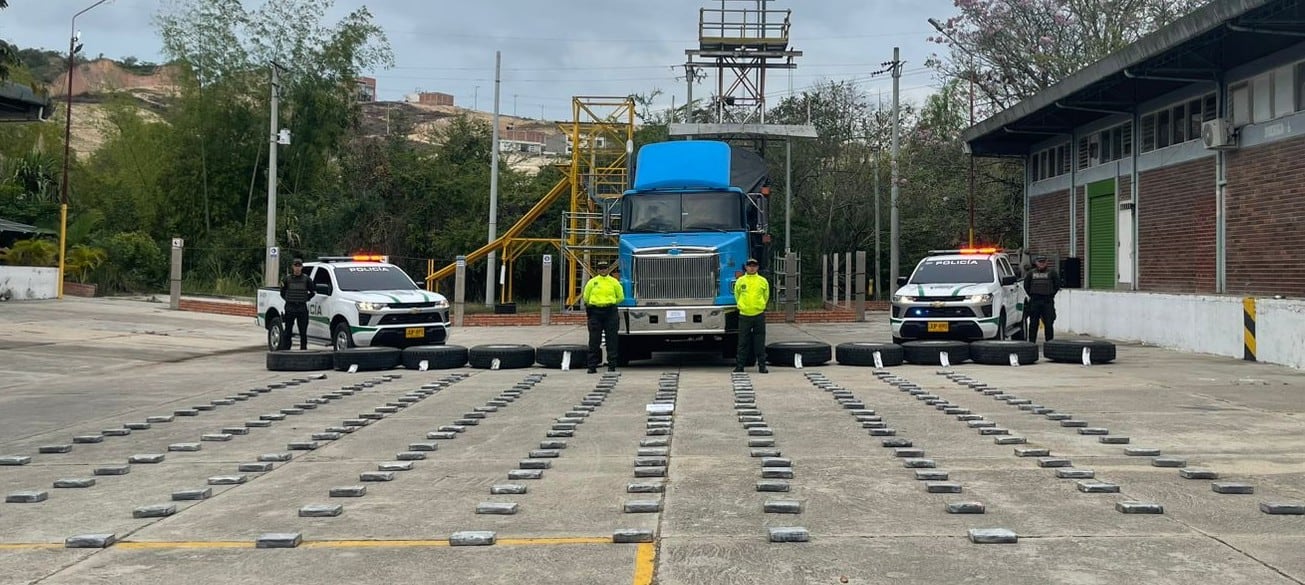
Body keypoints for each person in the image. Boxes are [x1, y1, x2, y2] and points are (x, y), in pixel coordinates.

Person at [582, 260, 624, 373]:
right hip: (595, 312)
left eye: (605, 268)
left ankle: (612, 365)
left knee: (612, 339)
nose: (603, 270)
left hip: (610, 311)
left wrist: (610, 302)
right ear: (598, 270)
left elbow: (620, 297)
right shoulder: (592, 282)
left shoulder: (614, 282)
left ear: (608, 269)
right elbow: (586, 297)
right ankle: (592, 366)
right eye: (601, 268)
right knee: (594, 340)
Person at [733, 258, 770, 373]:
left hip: (758, 315)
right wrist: (742, 306)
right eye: (749, 265)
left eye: (754, 265)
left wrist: (761, 305)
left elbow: (766, 295)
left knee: (759, 342)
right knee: (743, 342)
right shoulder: (740, 281)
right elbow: (737, 295)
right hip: (744, 315)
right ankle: (740, 366)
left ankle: (762, 366)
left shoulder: (763, 281)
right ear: (746, 267)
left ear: (757, 267)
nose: (752, 267)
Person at [1022, 254, 1063, 344]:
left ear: (1046, 262)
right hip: (1035, 301)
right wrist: (1032, 295)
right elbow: (1026, 285)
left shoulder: (1052, 273)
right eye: (1040, 262)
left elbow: (1057, 285)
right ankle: (1032, 343)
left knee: (1048, 323)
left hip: (1047, 301)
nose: (1041, 264)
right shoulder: (1031, 273)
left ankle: (1049, 343)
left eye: (1043, 262)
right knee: (1033, 324)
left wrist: (1051, 295)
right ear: (1036, 263)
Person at [280, 258, 315, 350]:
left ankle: (303, 350)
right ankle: (286, 350)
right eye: (296, 266)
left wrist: (305, 298)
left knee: (303, 331)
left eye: (299, 266)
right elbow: (282, 292)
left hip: (301, 308)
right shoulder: (287, 279)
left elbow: (312, 292)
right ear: (293, 267)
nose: (297, 268)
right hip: (290, 307)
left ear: (302, 267)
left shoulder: (306, 279)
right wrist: (288, 299)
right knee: (288, 331)